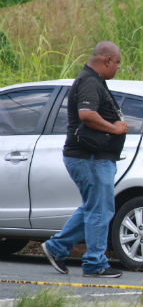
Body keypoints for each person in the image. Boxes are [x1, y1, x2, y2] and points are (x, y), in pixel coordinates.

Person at [41, 41, 128, 278]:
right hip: (89, 157)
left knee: (94, 207)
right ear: (107, 60)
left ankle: (56, 247)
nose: (118, 67)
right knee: (100, 210)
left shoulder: (93, 80)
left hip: (93, 158)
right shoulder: (89, 81)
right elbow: (87, 115)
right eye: (117, 62)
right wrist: (114, 128)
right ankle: (94, 263)